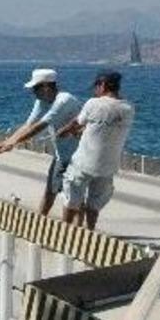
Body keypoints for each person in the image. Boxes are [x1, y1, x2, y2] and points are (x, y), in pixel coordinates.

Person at [0, 69, 82, 216]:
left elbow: (42, 124)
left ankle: (76, 231)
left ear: (46, 87)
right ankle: (39, 221)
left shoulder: (64, 100)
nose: (33, 92)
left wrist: (14, 143)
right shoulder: (41, 101)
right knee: (50, 190)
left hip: (79, 156)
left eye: (35, 88)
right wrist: (7, 142)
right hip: (62, 154)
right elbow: (28, 125)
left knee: (73, 198)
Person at [56, 70, 135, 230]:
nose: (95, 90)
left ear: (103, 85)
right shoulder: (128, 108)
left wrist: (62, 132)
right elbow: (103, 128)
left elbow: (76, 123)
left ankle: (64, 233)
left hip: (84, 163)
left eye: (96, 86)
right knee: (94, 205)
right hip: (108, 166)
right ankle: (90, 232)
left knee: (71, 200)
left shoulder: (93, 103)